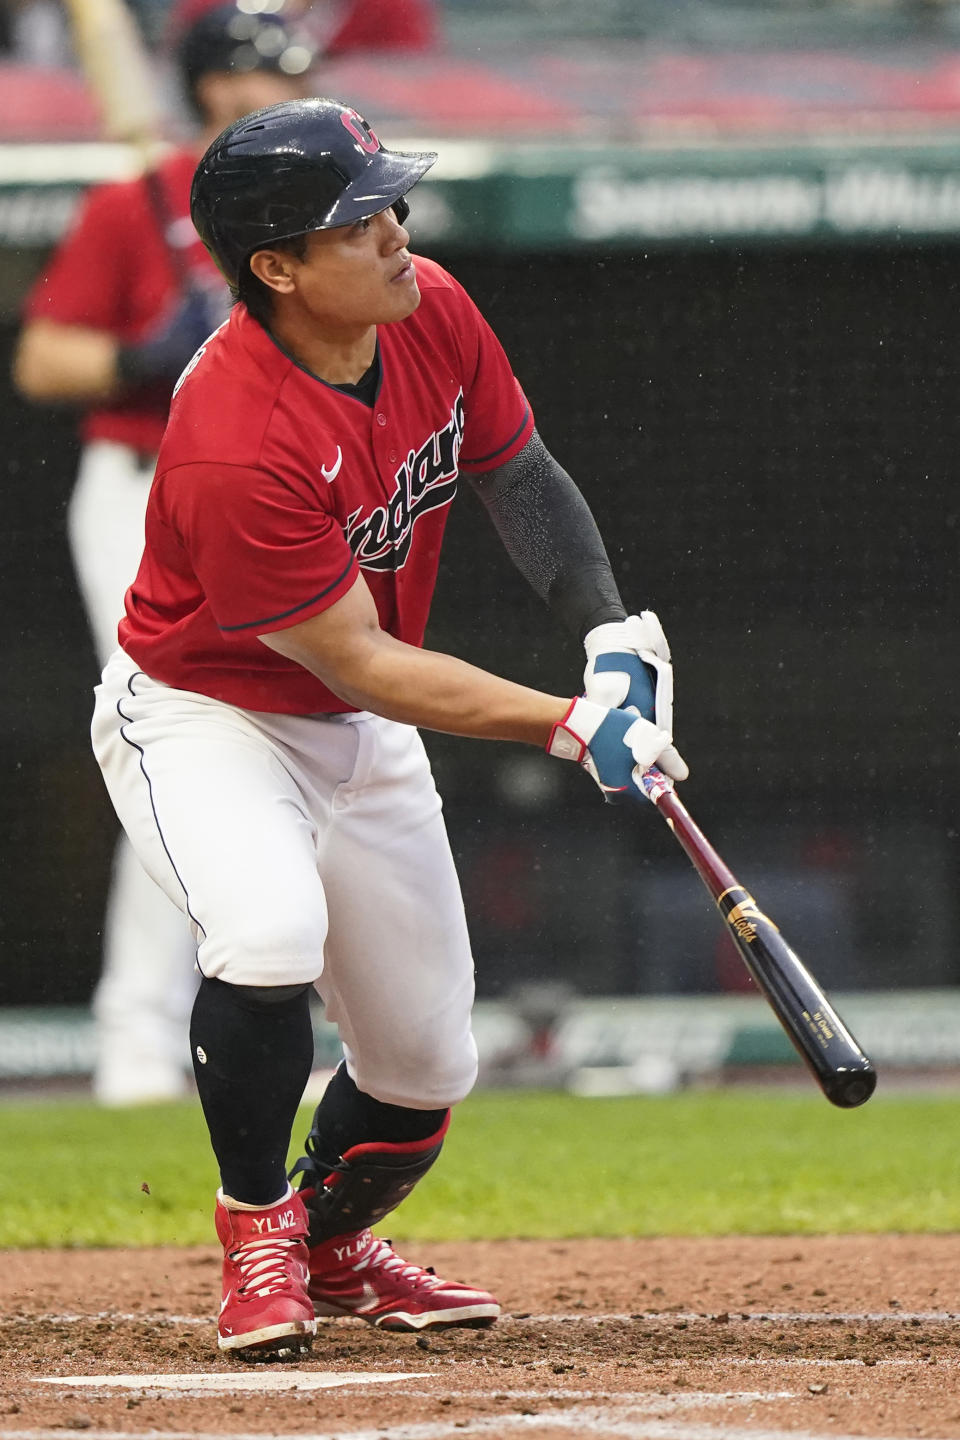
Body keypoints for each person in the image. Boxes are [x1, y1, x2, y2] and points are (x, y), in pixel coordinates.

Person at [90, 96, 689, 1358]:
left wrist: (606, 634)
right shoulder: (230, 441)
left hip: (353, 730)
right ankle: (257, 1233)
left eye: (392, 204)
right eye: (361, 218)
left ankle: (331, 1244)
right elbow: (361, 660)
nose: (398, 230)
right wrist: (569, 727)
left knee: (424, 1068)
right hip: (211, 717)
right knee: (266, 932)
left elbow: (519, 474)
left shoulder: (430, 309)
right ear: (280, 268)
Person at [12, 2, 317, 1105]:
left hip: (274, 502)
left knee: (290, 752)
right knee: (180, 753)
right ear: (205, 91)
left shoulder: (321, 213)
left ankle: (251, 1009)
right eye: (248, 78)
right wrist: (145, 351)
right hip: (143, 495)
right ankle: (138, 1039)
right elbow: (44, 360)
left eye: (286, 75)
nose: (269, 93)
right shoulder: (131, 208)